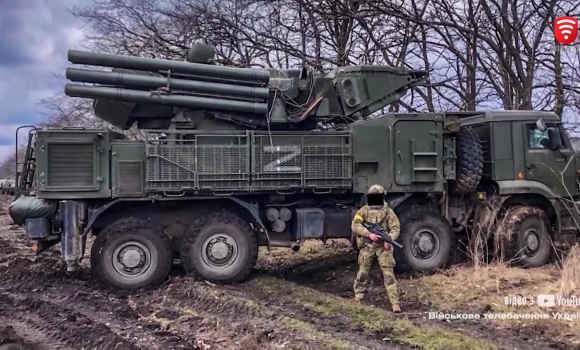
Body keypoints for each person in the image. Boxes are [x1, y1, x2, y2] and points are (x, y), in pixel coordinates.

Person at [351, 184, 402, 313]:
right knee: (363, 272)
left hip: (383, 248)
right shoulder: (363, 211)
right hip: (367, 246)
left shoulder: (388, 212)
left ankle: (395, 302)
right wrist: (369, 234)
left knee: (389, 275)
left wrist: (389, 239)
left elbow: (395, 228)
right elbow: (355, 225)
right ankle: (358, 296)